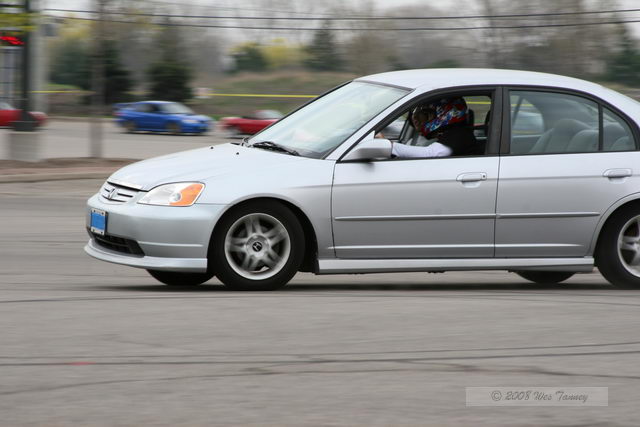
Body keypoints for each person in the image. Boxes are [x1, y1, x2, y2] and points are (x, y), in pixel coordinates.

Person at [390, 97, 479, 158]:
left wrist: (391, 147)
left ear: (444, 114)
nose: (416, 119)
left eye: (425, 114)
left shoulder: (459, 135)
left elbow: (431, 154)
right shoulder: (449, 133)